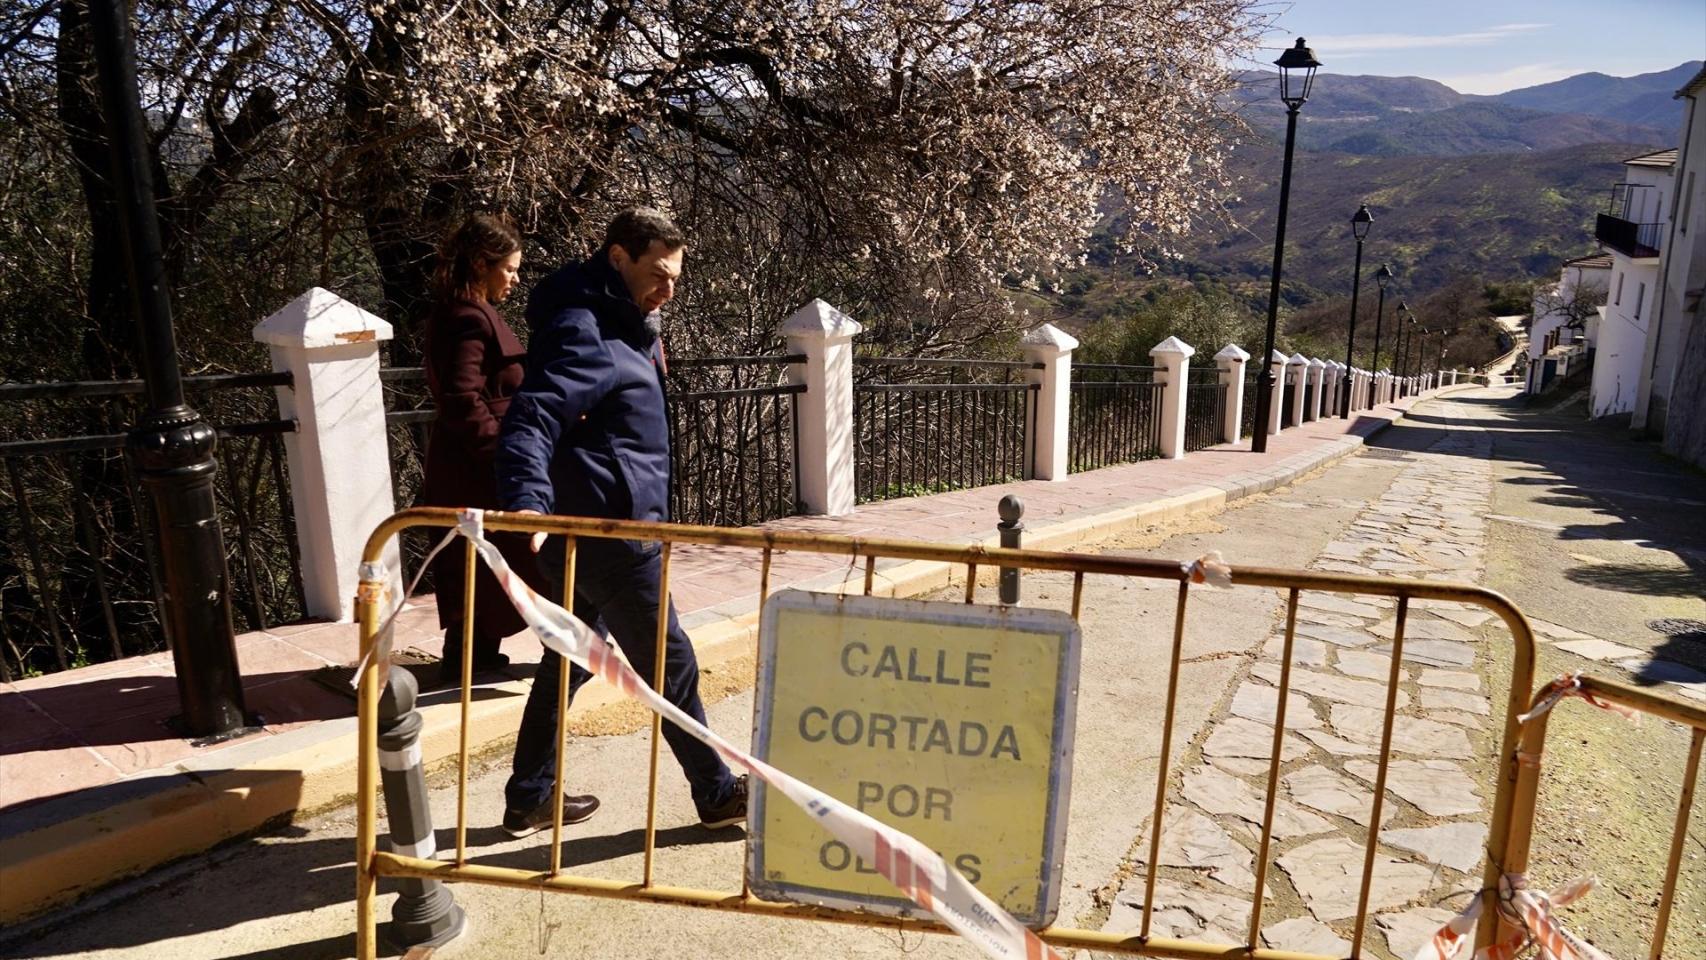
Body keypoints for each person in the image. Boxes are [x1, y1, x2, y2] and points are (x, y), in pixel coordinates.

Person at [495, 207, 747, 837]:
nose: (668, 290)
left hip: (596, 526)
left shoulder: (630, 326)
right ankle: (717, 793)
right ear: (617, 258)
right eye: (658, 274)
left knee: (567, 657)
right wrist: (527, 499)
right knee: (671, 665)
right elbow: (534, 414)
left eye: (676, 278)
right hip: (612, 534)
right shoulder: (586, 329)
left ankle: (529, 796)